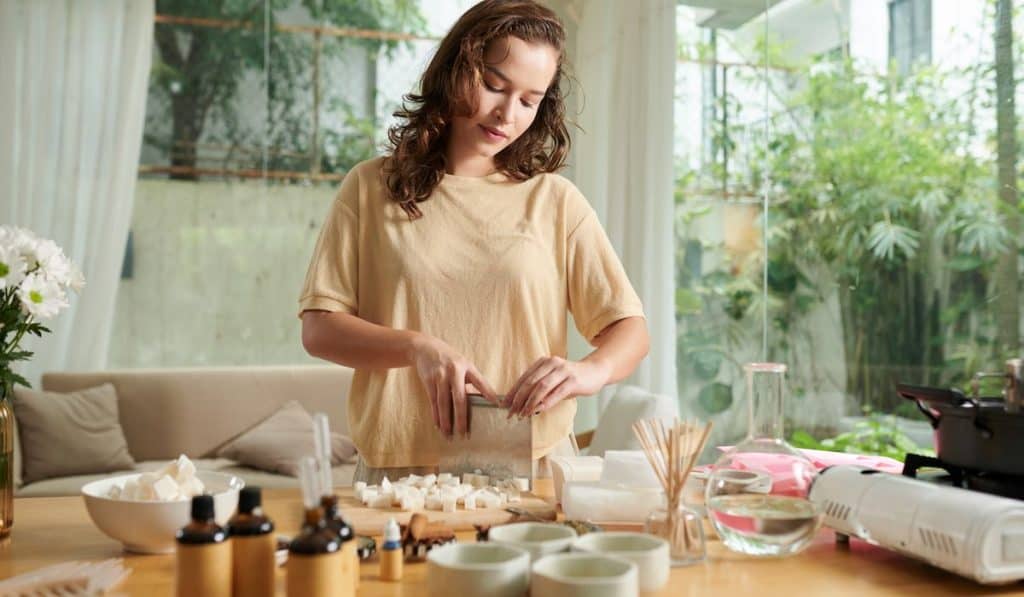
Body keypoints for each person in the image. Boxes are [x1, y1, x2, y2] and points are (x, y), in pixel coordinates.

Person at [299, 0, 649, 484]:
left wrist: (587, 372)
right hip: (401, 472)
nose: (506, 113)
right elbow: (319, 330)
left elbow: (629, 328)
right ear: (456, 71)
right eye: (494, 85)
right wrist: (417, 347)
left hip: (536, 463)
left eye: (529, 100)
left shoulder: (554, 201)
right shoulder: (369, 188)